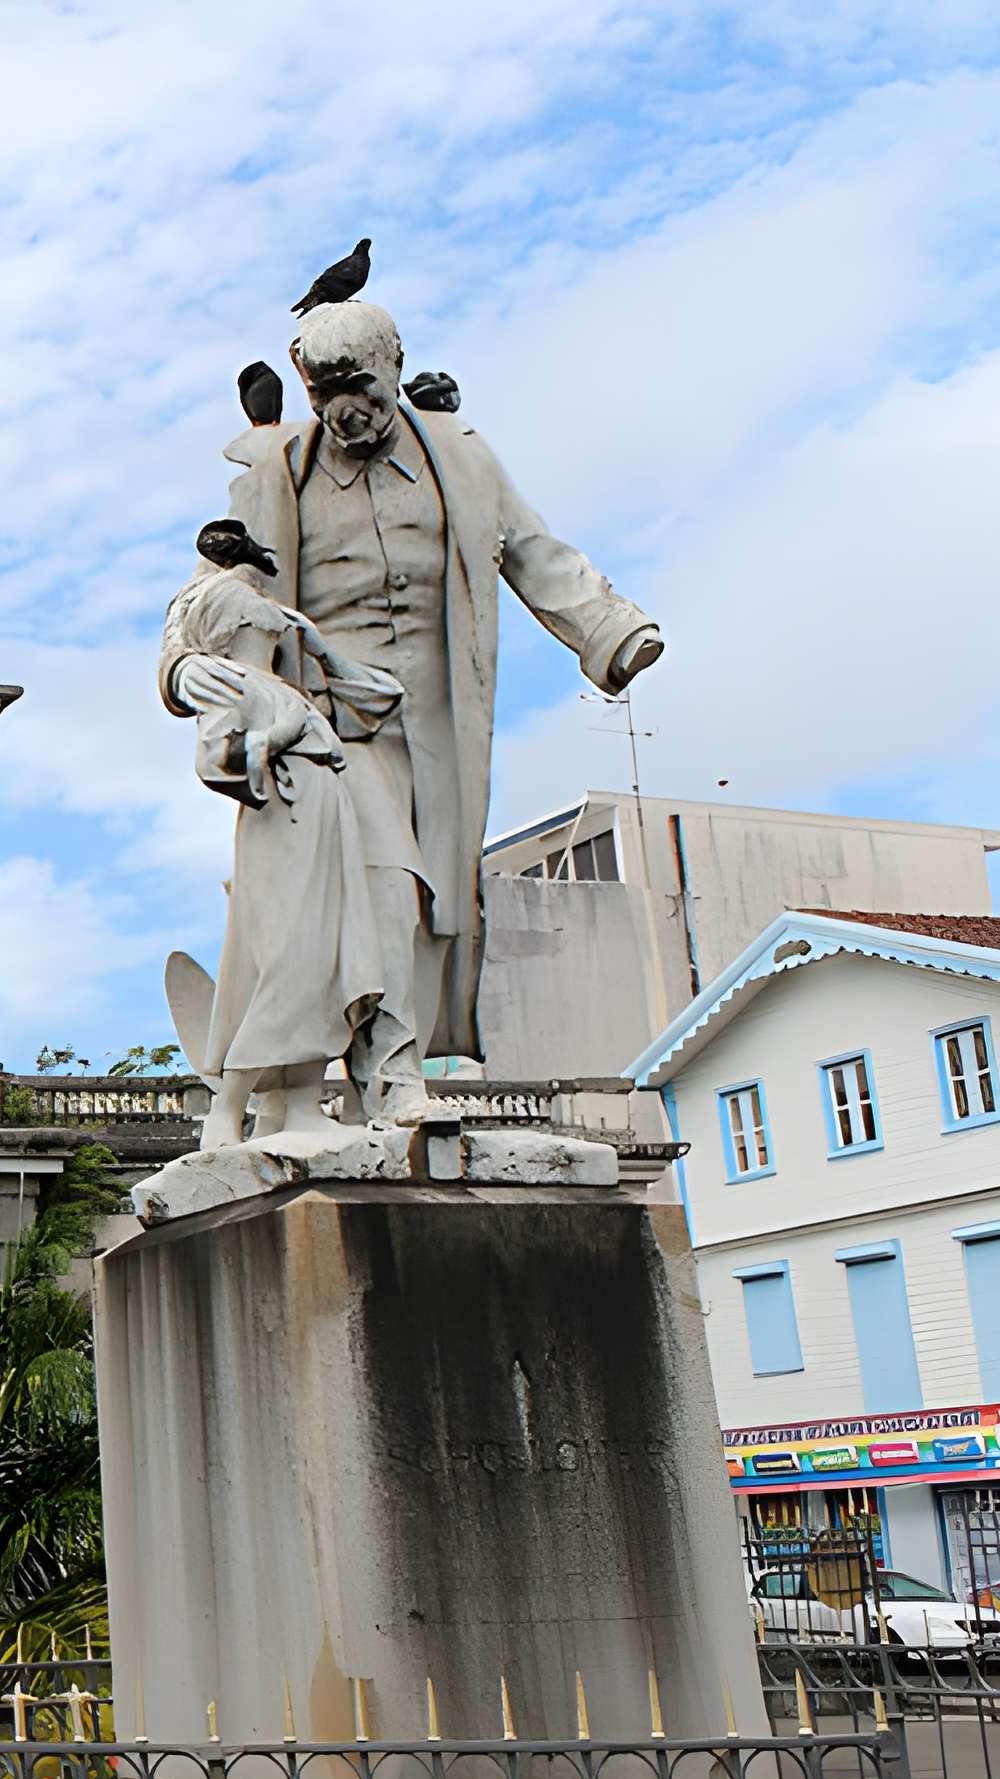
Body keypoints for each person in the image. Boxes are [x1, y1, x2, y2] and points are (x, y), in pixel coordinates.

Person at [159, 300, 660, 1114]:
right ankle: (394, 1080)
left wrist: (610, 629)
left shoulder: (460, 458)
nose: (340, 410)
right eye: (321, 394)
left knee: (430, 909)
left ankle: (368, 1095)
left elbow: (532, 550)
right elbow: (213, 590)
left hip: (436, 718)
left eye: (355, 385)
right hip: (327, 719)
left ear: (395, 364)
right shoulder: (274, 474)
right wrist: (182, 668)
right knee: (382, 882)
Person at [163, 521, 410, 1147]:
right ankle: (231, 1104)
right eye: (263, 617)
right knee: (288, 955)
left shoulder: (290, 685)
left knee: (331, 957)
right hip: (281, 814)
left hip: (326, 815)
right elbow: (214, 759)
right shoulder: (229, 681)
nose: (277, 624)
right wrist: (274, 739)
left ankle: (300, 1096)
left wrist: (324, 653)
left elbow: (384, 696)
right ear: (237, 623)